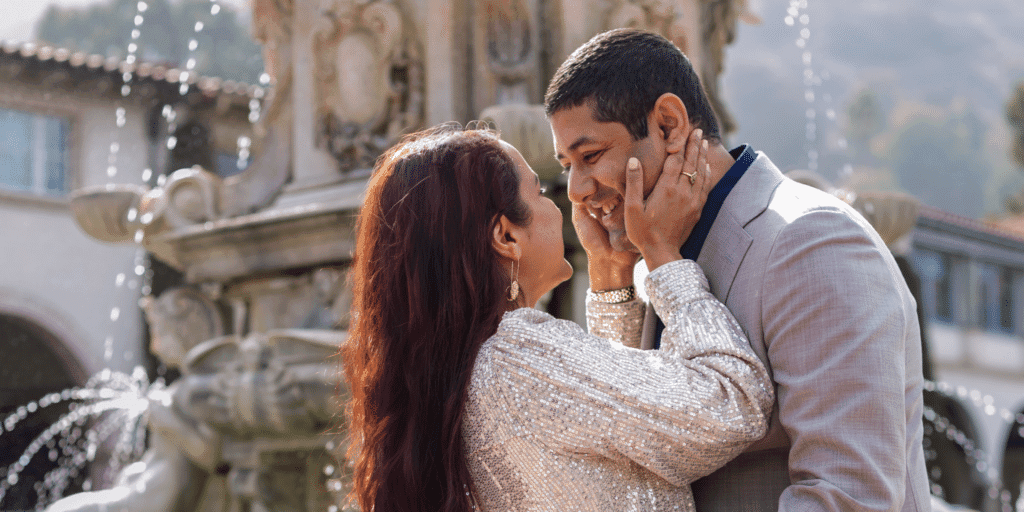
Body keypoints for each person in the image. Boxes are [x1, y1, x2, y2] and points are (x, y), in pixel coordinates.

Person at [545, 28, 931, 511]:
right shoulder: (657, 259)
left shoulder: (811, 242)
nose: (577, 190)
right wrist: (611, 276)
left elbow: (850, 497)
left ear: (668, 125)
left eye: (590, 156)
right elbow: (622, 447)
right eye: (566, 166)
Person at [342, 124, 774, 512]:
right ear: (506, 236)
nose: (567, 198)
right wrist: (662, 254)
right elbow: (732, 405)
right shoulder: (516, 358)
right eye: (541, 192)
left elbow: (613, 420)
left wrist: (611, 274)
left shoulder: (466, 366)